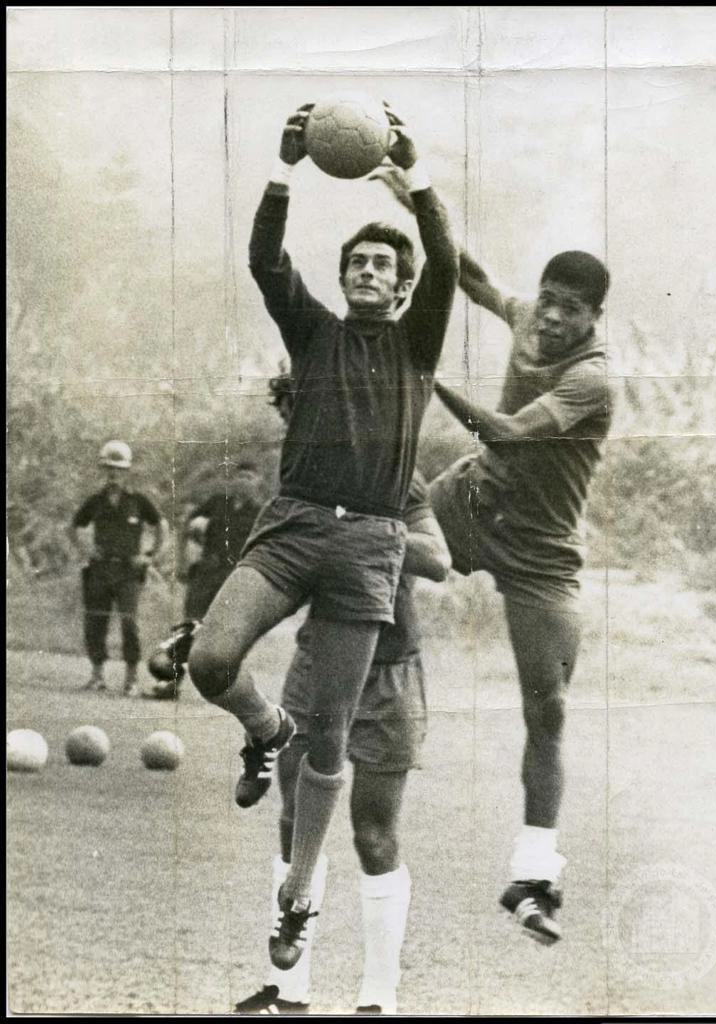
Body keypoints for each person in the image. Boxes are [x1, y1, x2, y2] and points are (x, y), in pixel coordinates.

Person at [156, 103, 457, 971]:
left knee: (335, 738)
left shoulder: (417, 343)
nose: (367, 271)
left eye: (380, 265)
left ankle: (297, 899)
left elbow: (440, 251)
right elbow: (263, 259)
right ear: (346, 278)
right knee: (210, 662)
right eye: (357, 262)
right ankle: (263, 729)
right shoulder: (315, 332)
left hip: (368, 546)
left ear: (400, 288)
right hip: (291, 527)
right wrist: (284, 169)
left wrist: (418, 170)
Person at [373, 167, 613, 944]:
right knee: (375, 536)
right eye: (546, 298)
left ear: (592, 320)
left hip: (542, 555)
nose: (548, 315)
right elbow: (472, 275)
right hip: (471, 502)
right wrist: (412, 192)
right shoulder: (531, 318)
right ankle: (339, 706)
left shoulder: (593, 380)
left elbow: (506, 431)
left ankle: (534, 875)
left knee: (547, 710)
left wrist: (425, 377)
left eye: (568, 310)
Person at [234, 382, 450, 1015]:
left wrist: (362, 528)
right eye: (290, 421)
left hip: (388, 675)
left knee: (374, 833)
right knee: (295, 822)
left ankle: (377, 998)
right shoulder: (295, 488)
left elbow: (438, 558)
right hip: (316, 670)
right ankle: (289, 994)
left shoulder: (393, 475)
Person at [148, 458, 268, 700]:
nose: (244, 481)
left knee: (229, 632)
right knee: (190, 627)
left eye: (250, 477)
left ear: (259, 482)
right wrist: (181, 561)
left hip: (237, 577)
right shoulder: (217, 502)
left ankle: (227, 688)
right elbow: (185, 527)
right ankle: (172, 681)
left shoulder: (261, 512)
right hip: (206, 574)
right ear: (233, 480)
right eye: (240, 476)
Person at [69, 440, 168, 695]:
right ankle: (97, 676)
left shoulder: (137, 500)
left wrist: (150, 555)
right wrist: (86, 550)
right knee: (96, 622)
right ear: (103, 470)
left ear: (127, 471)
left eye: (118, 469)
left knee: (129, 623)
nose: (113, 474)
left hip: (128, 572)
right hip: (100, 569)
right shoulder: (96, 501)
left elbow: (161, 526)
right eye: (108, 468)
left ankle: (131, 680)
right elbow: (75, 527)